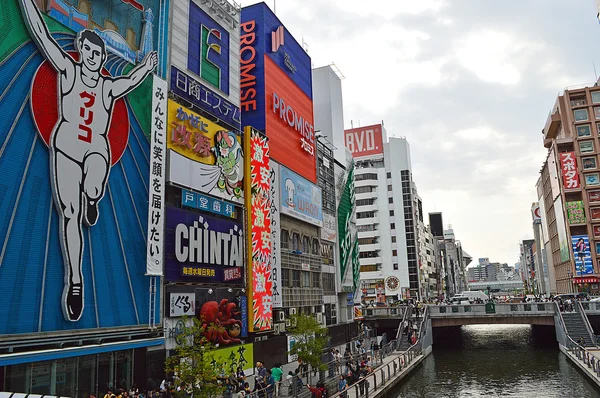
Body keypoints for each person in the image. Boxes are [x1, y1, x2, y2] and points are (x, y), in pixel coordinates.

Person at [18, 0, 158, 321]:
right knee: (70, 214)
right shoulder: (67, 70)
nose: (94, 59)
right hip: (66, 147)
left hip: (95, 148)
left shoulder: (107, 87)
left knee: (94, 185)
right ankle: (76, 281)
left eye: (99, 55)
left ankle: (93, 197)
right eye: (90, 53)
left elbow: (131, 82)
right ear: (81, 49)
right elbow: (41, 34)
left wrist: (147, 68)